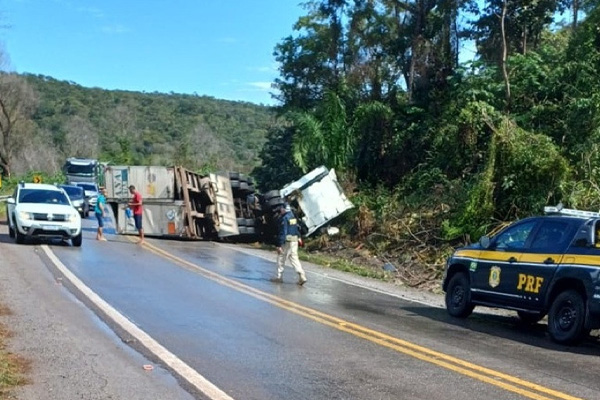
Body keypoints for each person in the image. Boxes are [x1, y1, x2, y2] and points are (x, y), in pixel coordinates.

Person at [273, 203, 307, 285]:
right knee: (294, 258)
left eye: (281, 208)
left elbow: (283, 232)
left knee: (281, 257)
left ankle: (279, 277)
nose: (280, 210)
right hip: (294, 240)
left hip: (287, 241)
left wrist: (279, 245)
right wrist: (299, 237)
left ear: (284, 209)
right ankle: (302, 275)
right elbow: (295, 228)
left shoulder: (284, 218)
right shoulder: (292, 216)